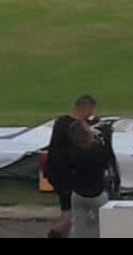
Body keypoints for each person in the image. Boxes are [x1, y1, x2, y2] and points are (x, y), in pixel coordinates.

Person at [44, 94, 97, 239]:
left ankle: (62, 233)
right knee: (70, 212)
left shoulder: (61, 122)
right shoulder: (75, 127)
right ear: (86, 108)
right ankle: (58, 233)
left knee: (67, 208)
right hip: (66, 175)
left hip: (55, 172)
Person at [68, 118, 117, 238]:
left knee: (78, 227)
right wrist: (106, 138)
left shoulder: (72, 151)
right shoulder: (97, 150)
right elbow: (108, 161)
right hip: (97, 194)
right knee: (103, 226)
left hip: (78, 194)